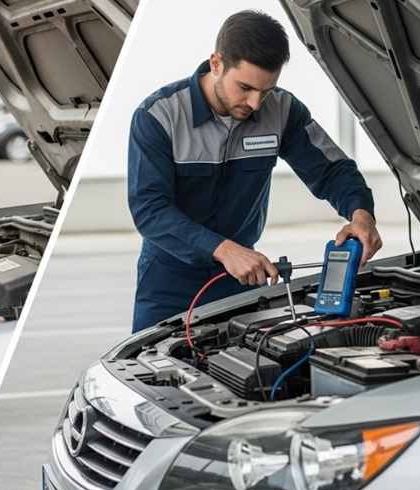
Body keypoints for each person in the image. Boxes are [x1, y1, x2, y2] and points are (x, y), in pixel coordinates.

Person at [127, 10, 382, 333]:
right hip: (169, 280)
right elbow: (149, 209)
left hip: (242, 280)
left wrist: (361, 214)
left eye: (266, 89)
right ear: (216, 63)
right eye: (245, 87)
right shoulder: (159, 116)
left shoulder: (283, 110)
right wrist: (224, 250)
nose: (257, 103)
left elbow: (333, 170)